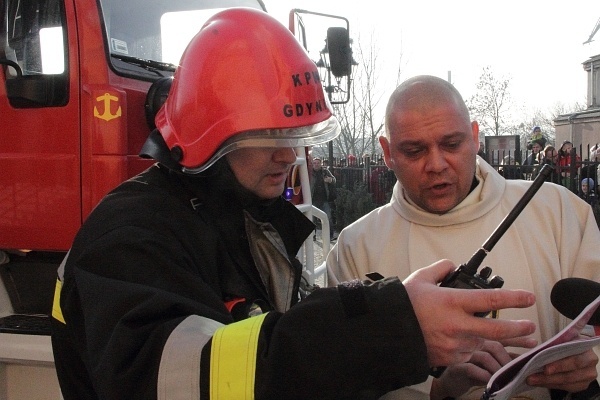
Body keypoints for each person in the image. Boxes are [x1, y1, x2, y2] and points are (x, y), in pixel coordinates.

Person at [49, 12, 538, 400]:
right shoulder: (129, 238)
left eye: (297, 136)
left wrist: (398, 332)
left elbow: (280, 361)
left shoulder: (240, 217)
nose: (289, 155)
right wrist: (386, 328)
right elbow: (181, 382)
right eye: (269, 137)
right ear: (209, 136)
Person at [326, 75, 600, 400]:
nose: (436, 164)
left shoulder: (558, 211)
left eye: (452, 144)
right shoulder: (356, 247)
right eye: (414, 151)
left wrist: (589, 371)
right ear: (387, 152)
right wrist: (436, 389)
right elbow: (344, 377)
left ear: (474, 137)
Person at [310, 156, 337, 240]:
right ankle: (313, 236)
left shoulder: (325, 171)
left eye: (318, 163)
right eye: (314, 163)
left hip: (324, 199)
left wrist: (330, 180)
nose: (316, 165)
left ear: (320, 164)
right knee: (312, 220)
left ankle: (330, 236)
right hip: (313, 199)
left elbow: (334, 180)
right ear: (312, 164)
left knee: (328, 218)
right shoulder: (309, 172)